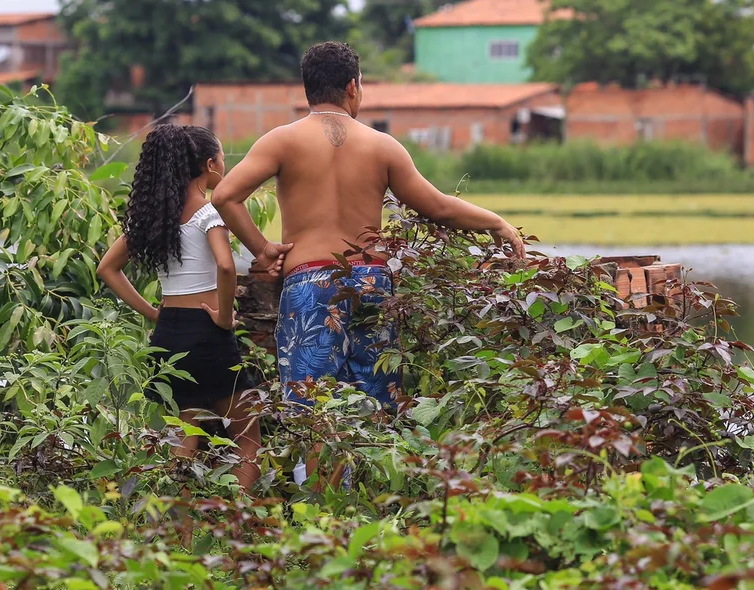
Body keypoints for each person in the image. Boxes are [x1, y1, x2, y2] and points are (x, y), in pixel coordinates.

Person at [212, 41, 524, 485]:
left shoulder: (281, 141)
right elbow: (438, 207)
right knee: (375, 404)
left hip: (311, 283)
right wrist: (496, 222)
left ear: (307, 90)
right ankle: (371, 512)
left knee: (313, 409)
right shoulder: (382, 146)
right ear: (353, 88)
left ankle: (322, 515)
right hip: (372, 282)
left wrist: (263, 248)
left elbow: (224, 196)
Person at [97, 123, 277, 493]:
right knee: (247, 435)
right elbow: (226, 267)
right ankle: (235, 523)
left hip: (169, 334)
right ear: (210, 165)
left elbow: (107, 269)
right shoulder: (209, 214)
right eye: (224, 159)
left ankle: (180, 534)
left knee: (182, 441)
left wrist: (154, 313)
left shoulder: (152, 218)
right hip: (208, 332)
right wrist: (225, 316)